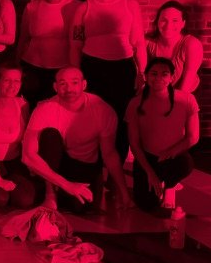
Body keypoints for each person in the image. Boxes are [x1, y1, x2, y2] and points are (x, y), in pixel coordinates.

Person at [21, 66, 131, 213]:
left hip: (83, 164)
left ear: (83, 85)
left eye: (74, 83)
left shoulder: (102, 110)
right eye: (63, 84)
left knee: (81, 207)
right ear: (55, 87)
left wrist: (124, 193)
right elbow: (28, 155)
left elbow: (109, 153)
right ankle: (50, 195)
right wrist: (68, 185)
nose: (69, 89)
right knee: (50, 135)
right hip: (56, 162)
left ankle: (62, 192)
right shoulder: (44, 108)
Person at [69, 0, 145, 160]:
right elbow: (75, 45)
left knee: (121, 118)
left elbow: (138, 42)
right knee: (94, 117)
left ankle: (116, 170)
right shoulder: (84, 8)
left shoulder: (130, 4)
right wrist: (77, 75)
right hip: (93, 67)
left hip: (122, 68)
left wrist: (142, 72)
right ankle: (96, 167)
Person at [126, 58, 200, 212]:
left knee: (185, 163)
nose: (158, 78)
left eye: (164, 74)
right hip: (148, 158)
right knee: (147, 204)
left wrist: (170, 152)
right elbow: (134, 143)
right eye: (153, 74)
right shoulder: (135, 103)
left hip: (173, 157)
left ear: (172, 77)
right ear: (146, 76)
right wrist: (150, 173)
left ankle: (170, 185)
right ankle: (158, 181)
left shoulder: (186, 100)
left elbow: (193, 137)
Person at [0, 64, 41, 209]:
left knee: (25, 200)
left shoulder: (24, 105)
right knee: (0, 198)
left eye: (16, 81)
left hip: (14, 163)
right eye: (7, 81)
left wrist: (31, 165)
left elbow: (27, 140)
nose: (12, 86)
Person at [18, 0, 80, 106]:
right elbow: (23, 39)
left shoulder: (75, 6)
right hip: (32, 68)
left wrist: (75, 70)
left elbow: (78, 43)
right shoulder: (32, 7)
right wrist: (17, 66)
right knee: (31, 108)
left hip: (61, 70)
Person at [145, 0, 203, 93]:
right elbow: (140, 76)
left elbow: (186, 85)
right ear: (157, 21)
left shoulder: (191, 44)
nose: (168, 25)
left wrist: (172, 104)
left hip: (184, 96)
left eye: (175, 20)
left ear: (183, 23)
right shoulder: (148, 42)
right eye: (164, 20)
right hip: (155, 95)